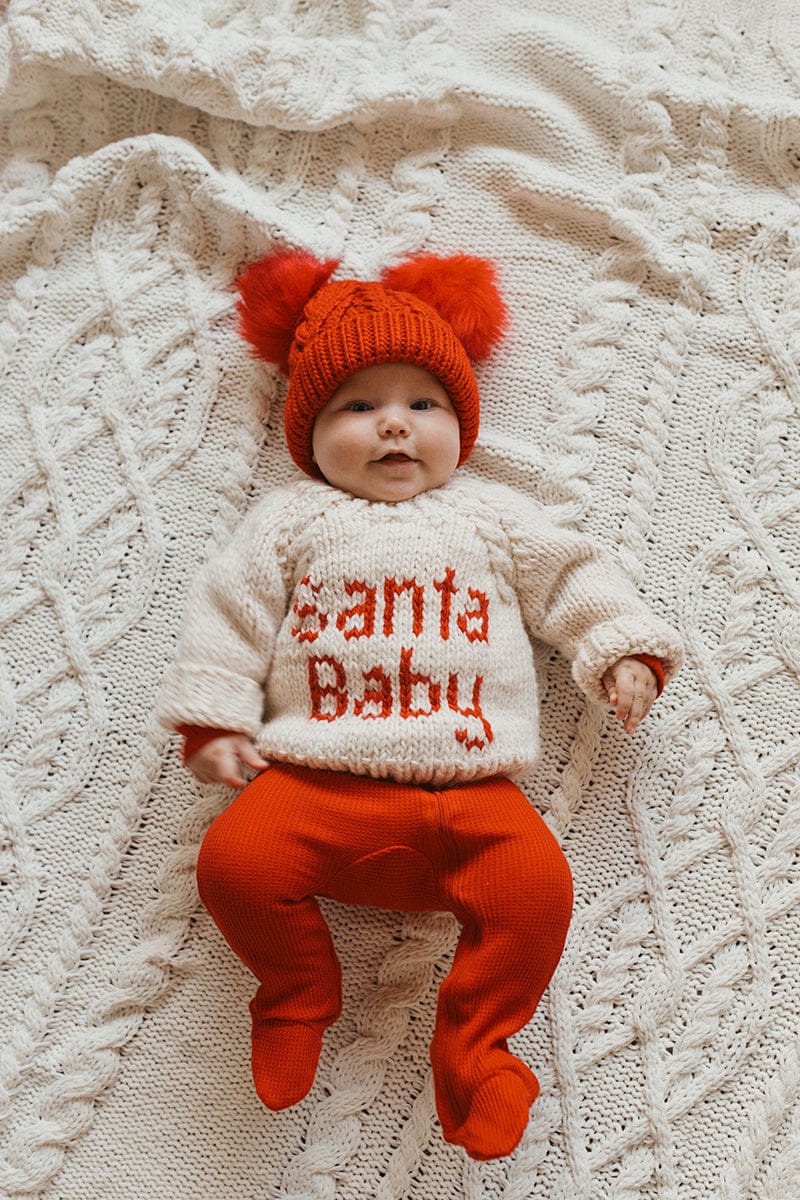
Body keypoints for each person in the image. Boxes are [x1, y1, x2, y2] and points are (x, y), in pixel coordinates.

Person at [158, 249, 683, 1161]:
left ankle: (477, 1046)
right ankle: (296, 989)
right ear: (308, 433)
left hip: (472, 798)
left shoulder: (493, 517)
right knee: (234, 862)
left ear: (460, 425)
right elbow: (231, 612)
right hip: (316, 784)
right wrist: (213, 716)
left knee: (538, 892)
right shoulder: (291, 520)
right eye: (358, 406)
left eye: (423, 405)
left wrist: (620, 647)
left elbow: (573, 576)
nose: (394, 425)